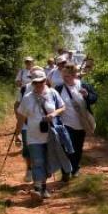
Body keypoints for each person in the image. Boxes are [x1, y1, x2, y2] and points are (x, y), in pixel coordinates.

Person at [15, 69, 71, 200]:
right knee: (37, 161)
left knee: (47, 161)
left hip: (50, 135)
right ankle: (37, 188)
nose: (39, 84)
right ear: (32, 83)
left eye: (41, 81)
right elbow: (21, 118)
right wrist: (17, 134)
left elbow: (63, 107)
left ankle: (44, 188)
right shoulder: (27, 98)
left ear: (45, 80)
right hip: (33, 136)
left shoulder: (53, 93)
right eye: (36, 82)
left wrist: (53, 114)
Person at [55, 63, 98, 179]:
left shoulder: (83, 85)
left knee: (77, 148)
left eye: (67, 76)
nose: (64, 78)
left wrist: (87, 95)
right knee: (66, 147)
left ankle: (75, 169)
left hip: (81, 124)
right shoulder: (59, 88)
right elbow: (53, 103)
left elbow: (94, 98)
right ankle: (65, 171)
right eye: (63, 76)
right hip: (65, 124)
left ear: (74, 75)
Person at [13, 57, 34, 147]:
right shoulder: (22, 71)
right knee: (17, 108)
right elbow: (17, 82)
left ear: (32, 62)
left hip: (33, 93)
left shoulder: (35, 71)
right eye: (27, 62)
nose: (28, 63)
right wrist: (23, 85)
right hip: (23, 93)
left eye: (29, 62)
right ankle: (21, 124)